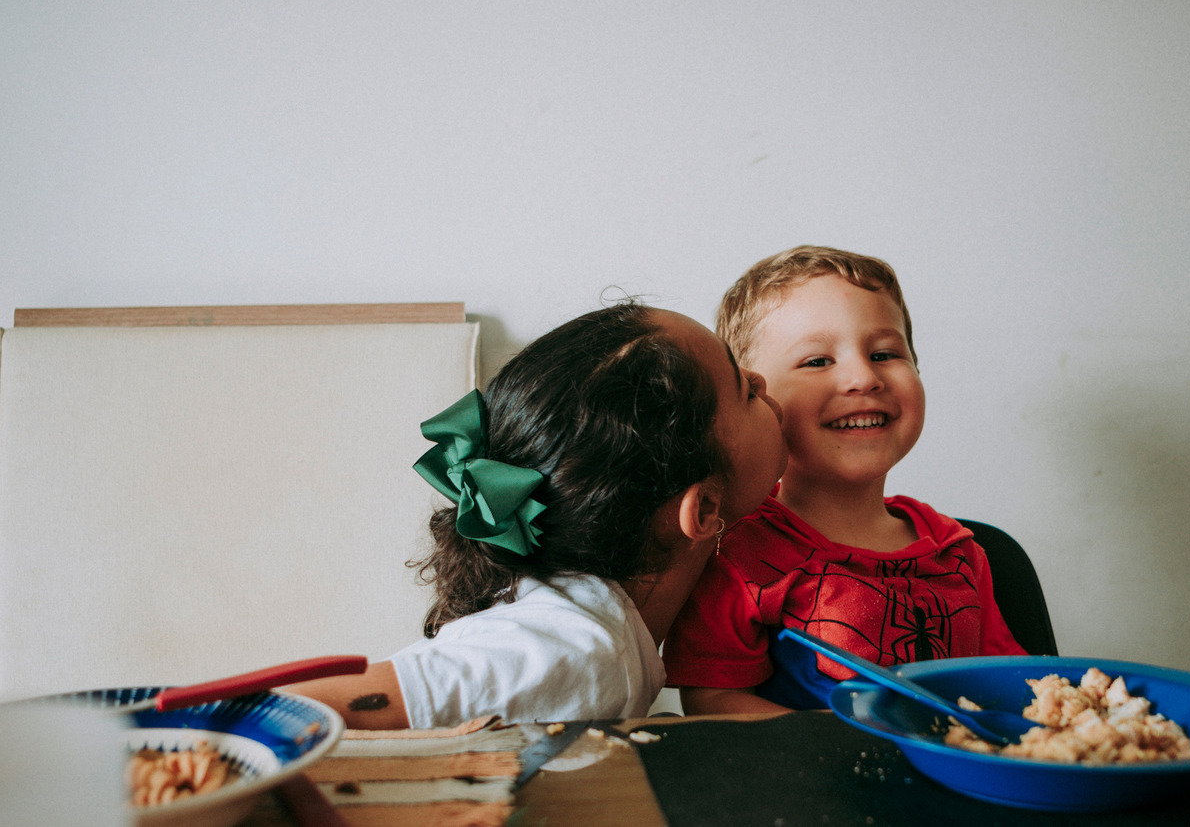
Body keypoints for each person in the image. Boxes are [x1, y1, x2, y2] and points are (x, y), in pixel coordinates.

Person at [287, 302, 787, 729]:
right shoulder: (571, 650)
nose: (760, 379)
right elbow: (282, 710)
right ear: (703, 509)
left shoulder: (590, 632)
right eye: (743, 390)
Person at [664, 246, 1025, 715]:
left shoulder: (958, 552)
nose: (863, 377)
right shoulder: (732, 552)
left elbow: (1011, 688)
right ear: (755, 396)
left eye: (884, 353)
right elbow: (712, 700)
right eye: (817, 361)